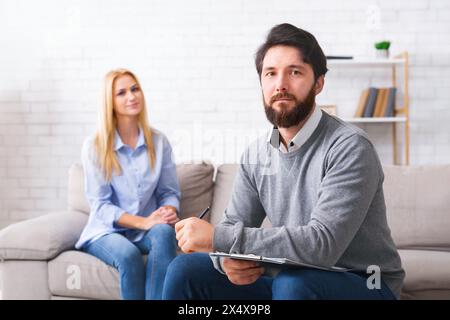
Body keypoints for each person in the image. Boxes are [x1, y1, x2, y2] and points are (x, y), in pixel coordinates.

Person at [162, 24, 405, 300]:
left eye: (295, 72)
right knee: (185, 269)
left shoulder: (349, 147)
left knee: (294, 283)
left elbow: (321, 246)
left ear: (319, 82)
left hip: (365, 283)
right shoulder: (257, 155)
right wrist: (226, 261)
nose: (280, 85)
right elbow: (232, 226)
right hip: (291, 280)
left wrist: (218, 240)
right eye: (270, 74)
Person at [75, 69, 181, 300]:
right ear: (109, 102)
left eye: (135, 89)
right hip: (106, 231)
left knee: (164, 233)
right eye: (121, 93)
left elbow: (169, 192)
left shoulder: (159, 142)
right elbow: (101, 206)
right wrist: (144, 222)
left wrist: (168, 211)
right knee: (128, 255)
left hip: (147, 228)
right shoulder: (95, 146)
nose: (131, 96)